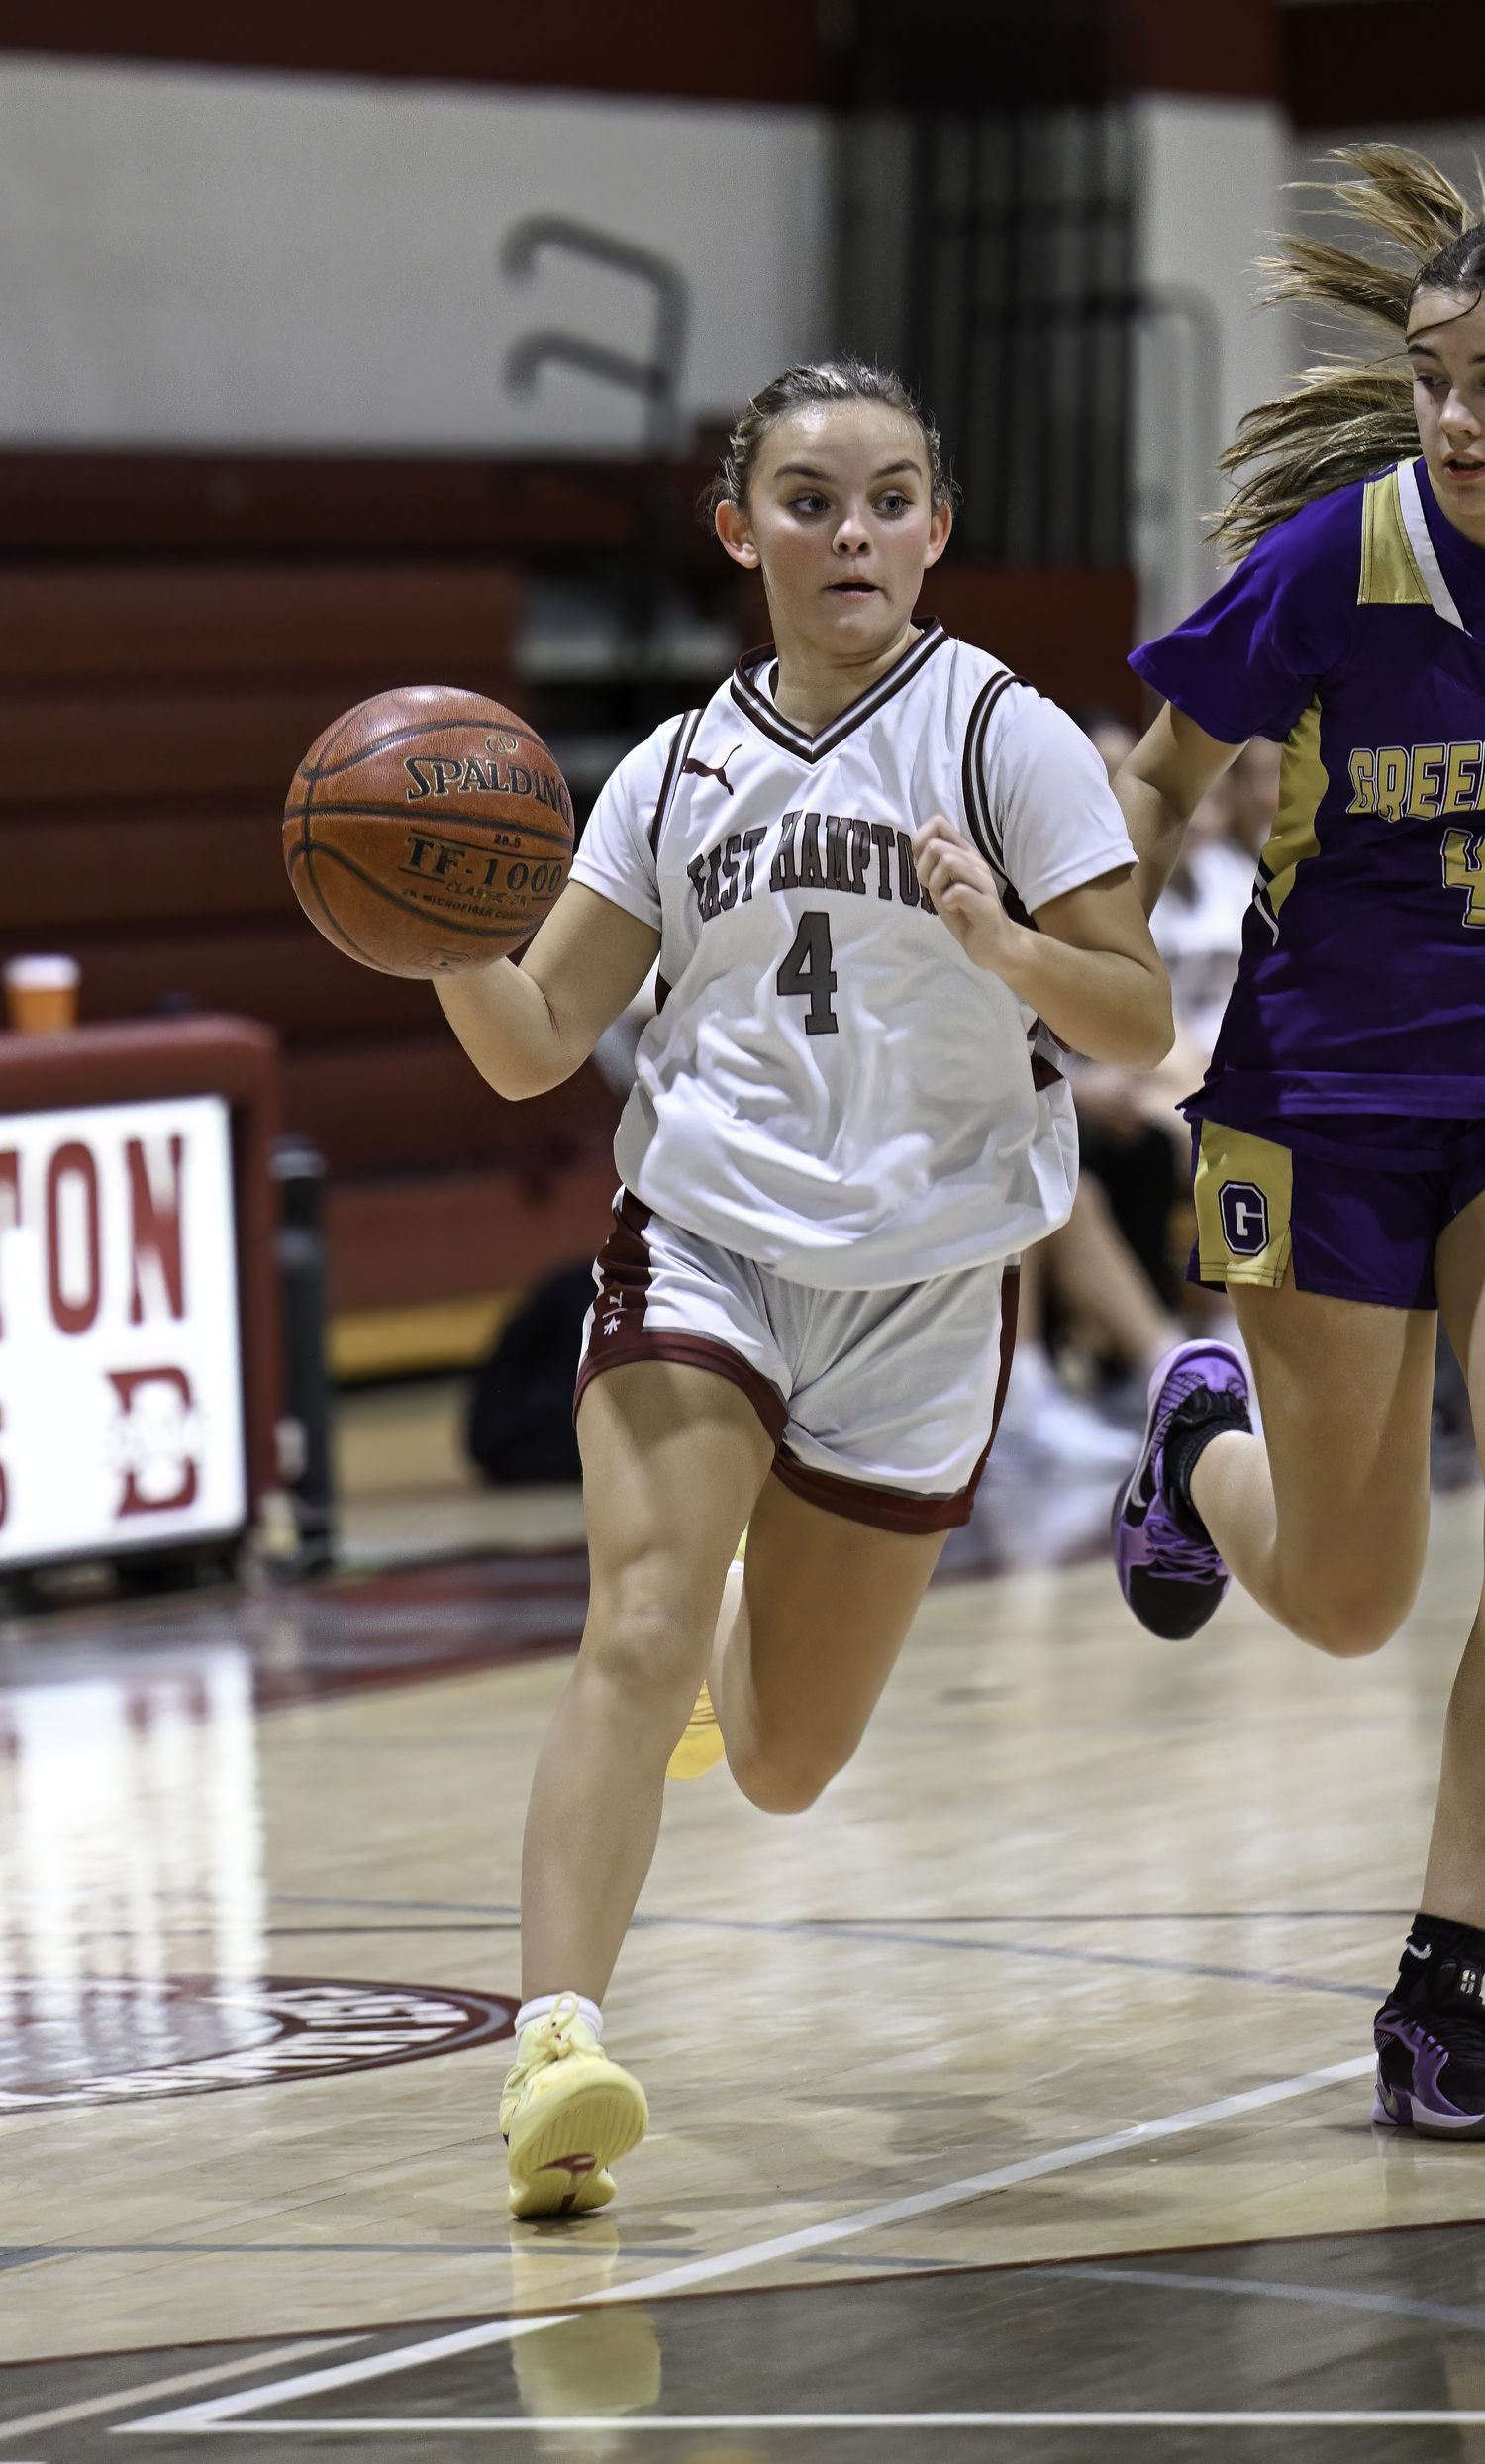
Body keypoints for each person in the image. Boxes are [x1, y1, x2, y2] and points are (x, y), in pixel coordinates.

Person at [438, 357, 1171, 2215]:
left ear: (938, 526)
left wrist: (1004, 945)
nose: (853, 532)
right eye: (811, 498)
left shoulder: (1006, 739)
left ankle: (743, 1608)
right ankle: (556, 2048)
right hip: (708, 1242)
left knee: (779, 1759)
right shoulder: (673, 771)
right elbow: (535, 1045)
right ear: (737, 527)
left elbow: (1142, 1019)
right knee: (637, 1617)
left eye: (891, 497)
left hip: (925, 1289)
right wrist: (442, 937)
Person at [1109, 147, 1485, 2139]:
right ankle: (1200, 1448)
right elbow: (1157, 778)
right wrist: (1072, 974)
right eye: (1436, 372)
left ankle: (1455, 1976)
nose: (1461, 412)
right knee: (1346, 1594)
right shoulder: (1346, 555)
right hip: (1325, 1096)